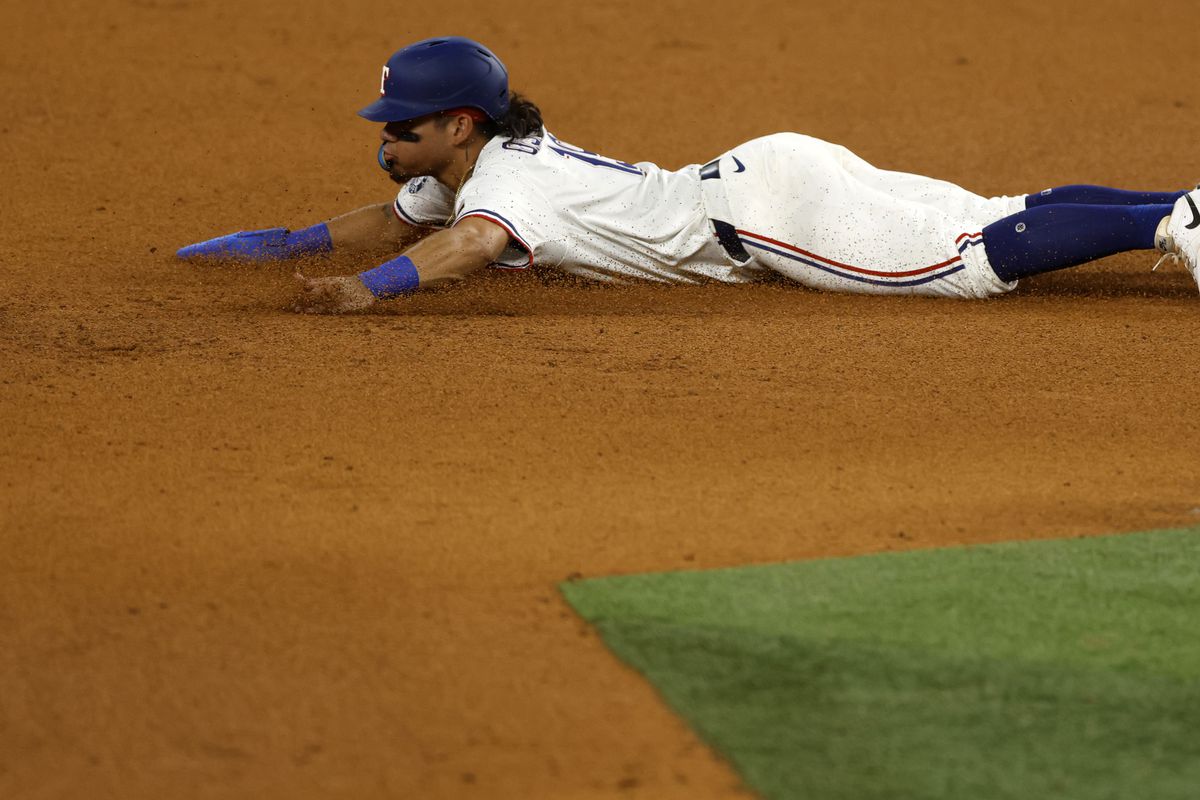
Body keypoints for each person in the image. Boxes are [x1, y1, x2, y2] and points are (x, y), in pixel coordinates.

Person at [176, 36, 1200, 314]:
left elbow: (468, 245)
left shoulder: (499, 191)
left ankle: (1168, 225)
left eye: (399, 128)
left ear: (456, 123)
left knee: (971, 261)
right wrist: (263, 248)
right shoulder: (481, 160)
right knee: (994, 210)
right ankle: (1181, 208)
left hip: (769, 210)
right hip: (772, 171)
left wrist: (363, 294)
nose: (386, 140)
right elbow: (385, 216)